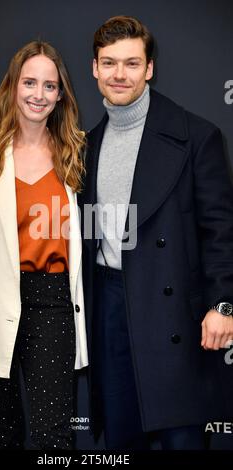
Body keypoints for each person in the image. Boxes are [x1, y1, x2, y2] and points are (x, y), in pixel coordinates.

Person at [78, 15, 233, 450]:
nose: (119, 74)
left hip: (173, 313)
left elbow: (220, 231)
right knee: (120, 443)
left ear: (149, 69)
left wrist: (224, 304)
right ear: (94, 69)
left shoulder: (197, 136)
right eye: (109, 63)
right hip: (109, 304)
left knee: (181, 440)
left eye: (131, 63)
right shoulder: (88, 145)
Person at [0, 40, 88, 450]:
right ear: (13, 86)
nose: (37, 95)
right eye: (29, 82)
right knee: (0, 436)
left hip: (53, 301)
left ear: (60, 94)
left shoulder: (76, 154)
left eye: (49, 86)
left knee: (52, 438)